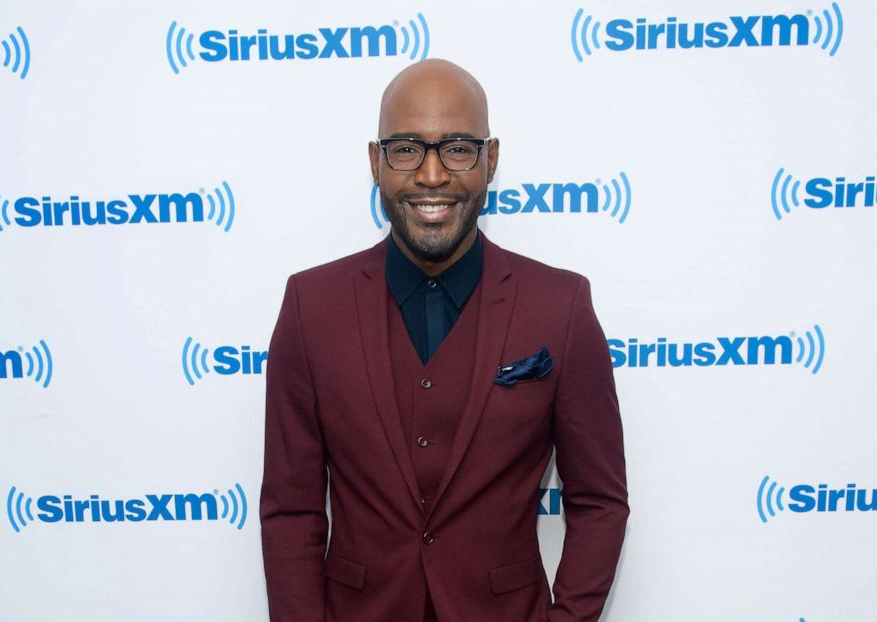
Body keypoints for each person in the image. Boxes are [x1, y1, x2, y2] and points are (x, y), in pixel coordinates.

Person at [260, 59, 628, 622]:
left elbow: (600, 502)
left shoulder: (561, 307)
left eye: (457, 148)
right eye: (407, 149)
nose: (432, 176)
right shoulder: (311, 307)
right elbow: (291, 511)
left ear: (491, 159)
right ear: (375, 162)